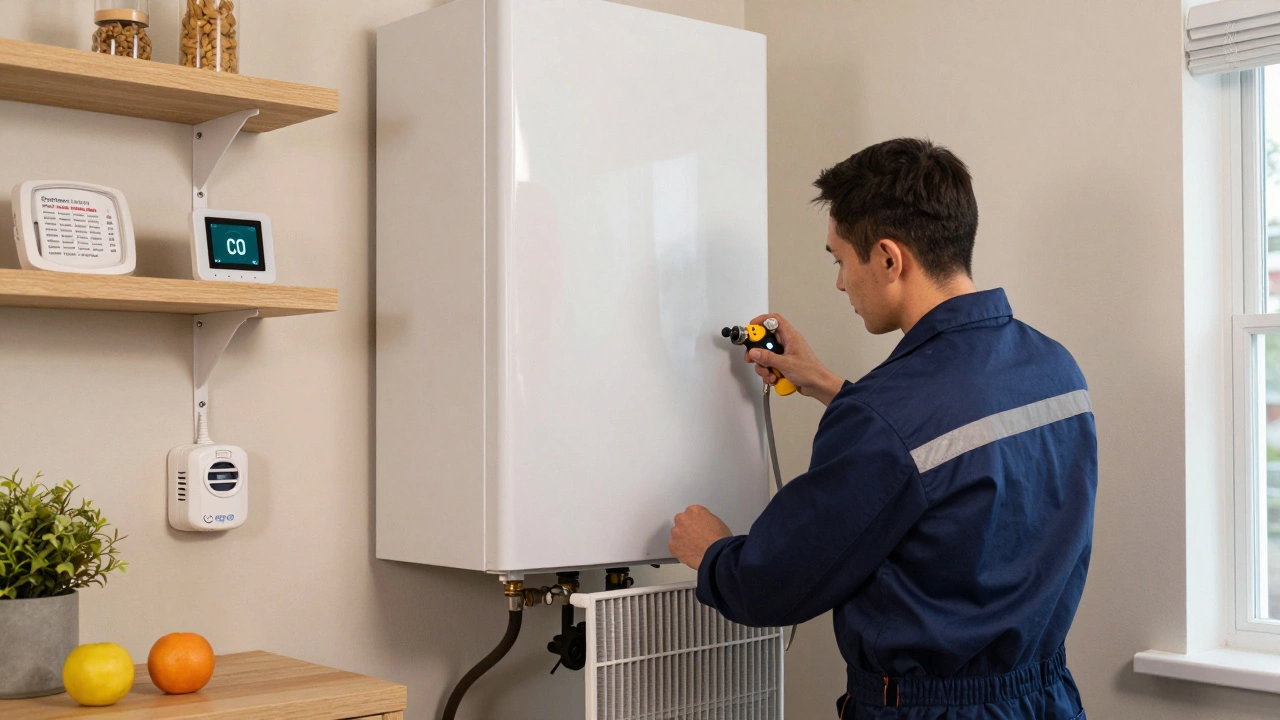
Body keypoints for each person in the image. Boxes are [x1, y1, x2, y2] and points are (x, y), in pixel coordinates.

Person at [668, 138, 1096, 720]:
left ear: (889, 259)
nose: (840, 283)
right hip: (1045, 699)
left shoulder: (883, 419)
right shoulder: (1054, 367)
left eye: (840, 259)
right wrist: (830, 386)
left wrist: (713, 552)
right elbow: (947, 467)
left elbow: (774, 585)